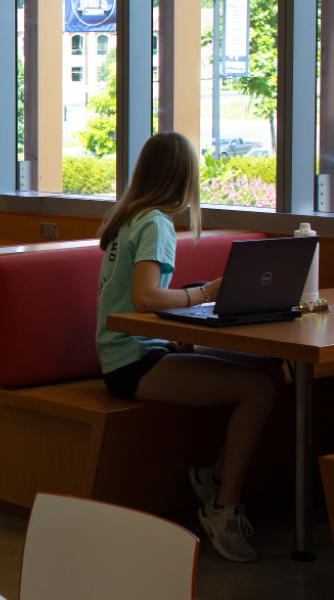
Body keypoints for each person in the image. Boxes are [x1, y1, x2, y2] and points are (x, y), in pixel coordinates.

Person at [95, 132, 283, 563]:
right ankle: (221, 507)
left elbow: (135, 299)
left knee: (270, 372)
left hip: (132, 352)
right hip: (134, 362)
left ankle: (213, 476)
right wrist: (207, 293)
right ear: (184, 178)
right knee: (259, 389)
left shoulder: (130, 218)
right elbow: (146, 298)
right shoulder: (156, 223)